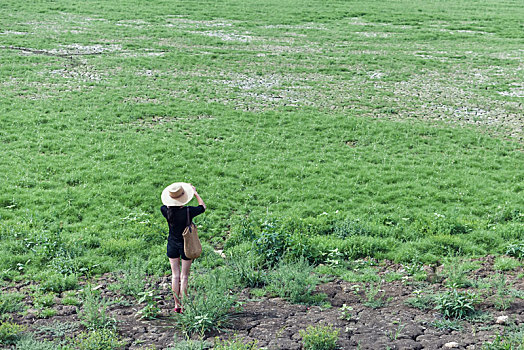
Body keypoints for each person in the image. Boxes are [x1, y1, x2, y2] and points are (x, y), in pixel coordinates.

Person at [160, 182, 206, 313]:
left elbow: (166, 205)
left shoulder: (165, 211)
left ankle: (177, 305)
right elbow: (203, 207)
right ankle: (185, 305)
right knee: (184, 276)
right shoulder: (188, 211)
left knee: (175, 276)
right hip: (187, 245)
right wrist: (195, 193)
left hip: (172, 245)